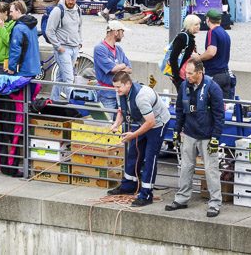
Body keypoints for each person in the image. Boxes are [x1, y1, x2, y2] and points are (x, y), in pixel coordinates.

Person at [165, 57, 224, 217]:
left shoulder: (213, 88)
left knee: (211, 170)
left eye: (190, 73)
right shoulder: (184, 86)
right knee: (185, 168)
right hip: (190, 134)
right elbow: (179, 110)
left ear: (200, 72)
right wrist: (177, 131)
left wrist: (215, 138)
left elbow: (220, 115)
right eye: (186, 73)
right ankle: (182, 199)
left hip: (207, 136)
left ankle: (215, 203)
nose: (187, 76)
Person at [107, 71, 170, 207]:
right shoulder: (121, 93)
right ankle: (128, 185)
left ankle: (147, 194)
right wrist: (116, 124)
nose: (116, 90)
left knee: (150, 157)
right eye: (115, 87)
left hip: (157, 124)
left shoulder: (141, 97)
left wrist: (133, 135)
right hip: (143, 123)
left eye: (118, 87)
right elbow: (121, 111)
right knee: (134, 153)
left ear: (128, 84)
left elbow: (151, 122)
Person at [47, 0, 83, 100]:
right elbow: (49, 31)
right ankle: (73, 106)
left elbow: (79, 27)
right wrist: (58, 47)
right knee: (69, 78)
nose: (71, 2)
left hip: (74, 48)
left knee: (61, 77)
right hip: (63, 49)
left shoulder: (78, 10)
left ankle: (53, 100)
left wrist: (79, 42)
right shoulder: (58, 10)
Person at [93, 21, 132, 119]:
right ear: (116, 32)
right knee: (107, 123)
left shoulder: (119, 49)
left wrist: (118, 67)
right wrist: (122, 65)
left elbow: (130, 69)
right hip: (106, 94)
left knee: (121, 124)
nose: (123, 35)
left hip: (120, 94)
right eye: (122, 32)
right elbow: (113, 69)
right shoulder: (99, 49)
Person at [197, 9, 232, 99]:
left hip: (214, 74)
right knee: (223, 106)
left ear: (208, 19)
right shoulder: (225, 33)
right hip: (226, 74)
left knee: (210, 105)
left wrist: (198, 58)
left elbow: (211, 52)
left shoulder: (212, 32)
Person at [7, 0, 41, 77]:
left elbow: (15, 50)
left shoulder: (18, 28)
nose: (10, 14)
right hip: (34, 67)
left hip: (23, 69)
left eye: (11, 12)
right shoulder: (33, 26)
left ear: (18, 11)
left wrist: (11, 67)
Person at [169, 14, 201, 92]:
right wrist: (176, 76)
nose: (199, 26)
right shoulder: (182, 38)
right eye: (196, 24)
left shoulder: (189, 37)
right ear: (190, 25)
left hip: (185, 75)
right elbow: (173, 57)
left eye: (199, 24)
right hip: (181, 76)